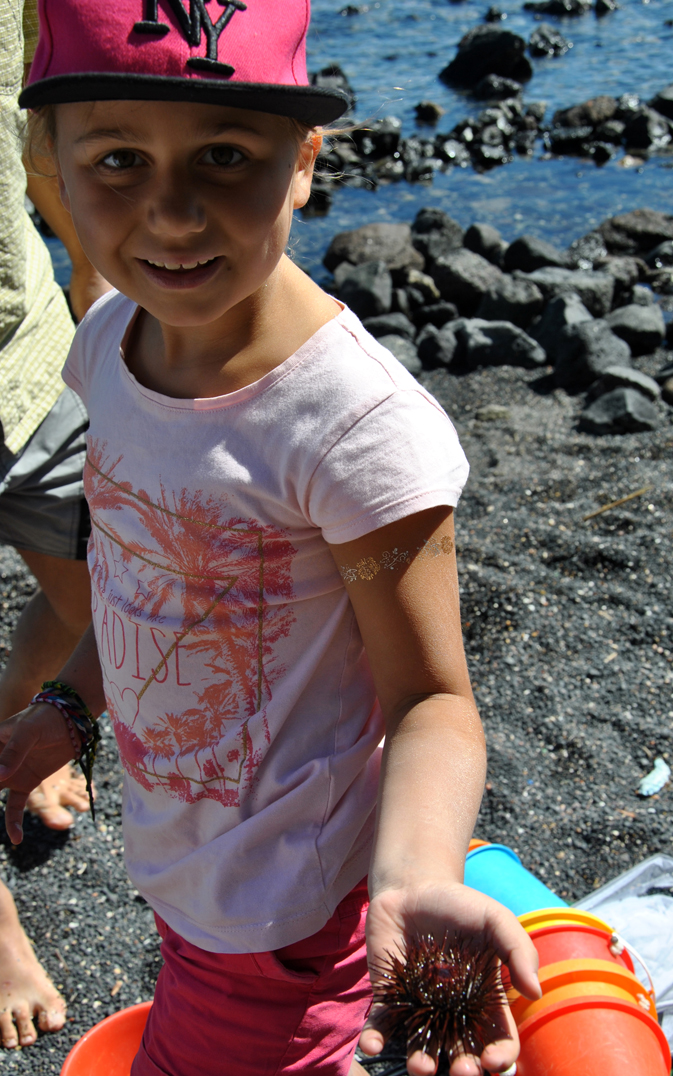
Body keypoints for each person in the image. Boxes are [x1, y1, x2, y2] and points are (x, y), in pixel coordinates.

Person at [0, 0, 541, 1073]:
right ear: (47, 164)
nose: (171, 213)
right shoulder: (108, 340)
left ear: (303, 161)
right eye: (117, 159)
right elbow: (147, 582)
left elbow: (431, 699)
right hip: (186, 870)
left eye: (224, 154)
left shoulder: (357, 430)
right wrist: (67, 705)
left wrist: (416, 874)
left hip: (287, 917)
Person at [0, 0, 111, 1050]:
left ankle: (17, 734)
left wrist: (94, 271)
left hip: (27, 353)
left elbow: (34, 119)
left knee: (102, 602)